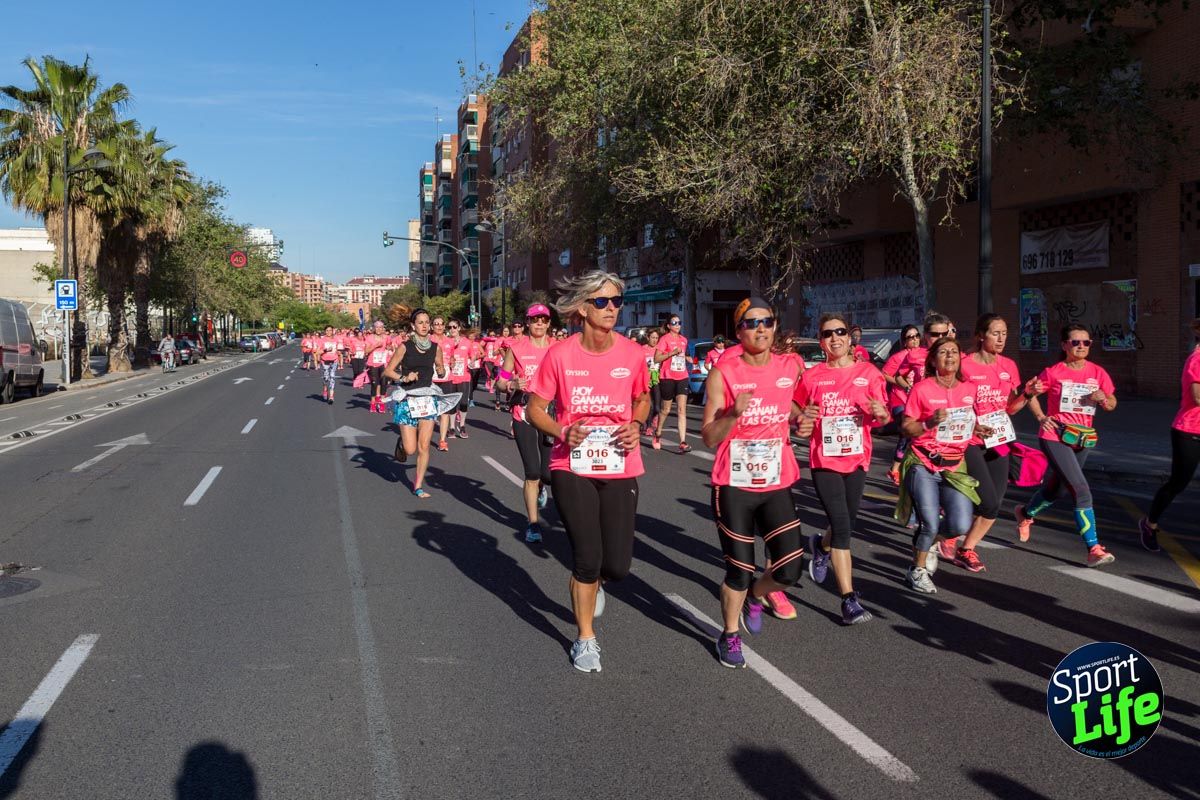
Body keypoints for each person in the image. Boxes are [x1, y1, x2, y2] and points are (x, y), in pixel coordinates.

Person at [527, 271, 650, 674]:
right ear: (582, 309)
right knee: (587, 556)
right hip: (571, 463)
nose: (611, 308)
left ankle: (596, 582)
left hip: (619, 463)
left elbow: (643, 397)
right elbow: (534, 409)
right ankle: (585, 638)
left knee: (616, 567)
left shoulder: (632, 354)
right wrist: (563, 429)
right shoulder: (560, 355)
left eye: (617, 301)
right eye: (602, 302)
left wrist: (637, 424)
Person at [702, 297, 810, 667]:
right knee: (739, 568)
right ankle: (729, 635)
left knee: (790, 570)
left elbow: (792, 406)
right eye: (751, 323)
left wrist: (800, 421)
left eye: (767, 321)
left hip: (777, 481)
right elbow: (709, 437)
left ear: (775, 326)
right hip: (734, 484)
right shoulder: (724, 373)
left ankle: (756, 595)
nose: (760, 328)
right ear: (739, 331)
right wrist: (733, 413)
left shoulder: (790, 367)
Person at [794, 313, 890, 623]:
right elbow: (795, 407)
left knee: (844, 522)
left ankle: (820, 545)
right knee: (844, 527)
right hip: (824, 461)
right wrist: (803, 418)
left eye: (840, 332)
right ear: (821, 341)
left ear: (849, 337)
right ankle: (849, 600)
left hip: (857, 459)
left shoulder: (869, 373)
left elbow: (884, 416)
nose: (834, 338)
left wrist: (881, 413)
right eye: (827, 334)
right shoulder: (812, 376)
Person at [1018, 325, 1118, 567]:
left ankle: (1025, 513)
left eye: (1086, 342)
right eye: (1075, 342)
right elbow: (1030, 393)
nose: (1081, 346)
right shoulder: (1054, 372)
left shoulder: (1097, 372)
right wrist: (1042, 417)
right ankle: (1093, 548)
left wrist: (1104, 399)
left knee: (1057, 490)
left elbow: (1112, 402)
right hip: (1055, 436)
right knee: (1081, 489)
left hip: (1083, 438)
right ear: (1064, 345)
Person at [944, 314, 1035, 573]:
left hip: (999, 439)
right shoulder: (965, 365)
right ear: (980, 335)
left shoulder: (1008, 366)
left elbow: (1012, 408)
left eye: (1005, 333)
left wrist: (1028, 394)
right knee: (982, 500)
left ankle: (966, 549)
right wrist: (971, 424)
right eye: (996, 333)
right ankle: (949, 533)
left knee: (993, 503)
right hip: (970, 439)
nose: (1001, 338)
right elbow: (950, 401)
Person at [897, 336, 987, 594]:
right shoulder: (922, 389)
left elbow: (968, 424)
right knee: (929, 523)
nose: (950, 356)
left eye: (954, 352)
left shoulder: (969, 389)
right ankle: (917, 570)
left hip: (954, 465)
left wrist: (979, 429)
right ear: (933, 360)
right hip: (923, 462)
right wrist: (928, 423)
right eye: (944, 352)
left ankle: (927, 544)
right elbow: (906, 428)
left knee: (959, 525)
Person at [498, 304, 556, 542]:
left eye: (543, 320)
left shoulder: (558, 348)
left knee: (549, 475)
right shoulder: (516, 348)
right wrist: (512, 384)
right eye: (535, 320)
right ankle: (533, 524)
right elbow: (500, 383)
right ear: (529, 323)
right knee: (532, 471)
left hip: (550, 414)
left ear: (549, 323)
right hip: (523, 413)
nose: (539, 324)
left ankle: (543, 486)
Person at [1141, 318, 1200, 550]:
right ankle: (1150, 523)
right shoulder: (1197, 360)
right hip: (1190, 431)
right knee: (1178, 483)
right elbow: (1197, 397)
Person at [384, 309, 447, 499]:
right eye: (420, 322)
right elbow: (388, 371)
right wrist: (404, 377)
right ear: (413, 326)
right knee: (411, 449)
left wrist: (442, 370)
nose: (425, 325)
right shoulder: (405, 347)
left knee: (424, 446)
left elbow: (440, 369)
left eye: (427, 322)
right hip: (407, 398)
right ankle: (402, 444)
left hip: (427, 398)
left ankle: (418, 485)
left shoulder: (436, 348)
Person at [883, 317, 950, 483]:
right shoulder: (903, 357)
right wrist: (907, 387)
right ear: (904, 340)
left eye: (915, 336)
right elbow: (886, 374)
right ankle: (899, 469)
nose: (913, 339)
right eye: (909, 337)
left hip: (934, 407)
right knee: (908, 434)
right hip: (901, 400)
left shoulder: (947, 354)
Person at [653, 315, 692, 453]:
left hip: (682, 376)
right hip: (667, 376)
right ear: (669, 326)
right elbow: (657, 359)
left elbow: (684, 356)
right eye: (674, 323)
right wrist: (672, 353)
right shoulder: (664, 339)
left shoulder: (684, 340)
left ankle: (682, 441)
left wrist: (689, 359)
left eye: (679, 323)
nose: (677, 325)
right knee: (666, 410)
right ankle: (658, 432)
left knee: (682, 410)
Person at [442, 319, 474, 440]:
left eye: (454, 327)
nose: (452, 329)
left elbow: (473, 355)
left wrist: (471, 362)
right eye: (449, 327)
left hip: (464, 376)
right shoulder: (445, 342)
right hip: (450, 377)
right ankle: (451, 427)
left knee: (464, 402)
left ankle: (462, 425)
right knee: (452, 402)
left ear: (459, 328)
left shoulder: (467, 342)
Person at [364, 321, 392, 413]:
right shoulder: (369, 338)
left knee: (384, 383)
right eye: (377, 327)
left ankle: (382, 403)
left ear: (383, 328)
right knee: (374, 383)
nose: (379, 329)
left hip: (383, 363)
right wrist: (375, 345)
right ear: (374, 328)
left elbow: (390, 345)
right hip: (373, 363)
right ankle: (373, 403)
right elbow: (366, 351)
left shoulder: (386, 337)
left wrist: (389, 347)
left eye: (381, 327)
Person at [641, 330, 662, 434]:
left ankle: (654, 418)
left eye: (656, 338)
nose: (654, 340)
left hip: (657, 380)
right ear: (648, 338)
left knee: (658, 407)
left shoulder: (660, 350)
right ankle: (648, 426)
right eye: (653, 337)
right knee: (649, 405)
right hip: (646, 380)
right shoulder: (642, 349)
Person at [316, 325, 341, 403]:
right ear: (325, 331)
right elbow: (317, 352)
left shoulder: (336, 340)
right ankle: (325, 390)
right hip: (325, 361)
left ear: (333, 331)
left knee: (332, 377)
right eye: (327, 330)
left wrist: (338, 352)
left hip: (334, 360)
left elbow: (338, 350)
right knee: (326, 378)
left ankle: (331, 396)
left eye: (330, 330)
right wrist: (325, 350)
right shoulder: (322, 340)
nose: (329, 332)